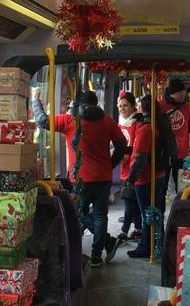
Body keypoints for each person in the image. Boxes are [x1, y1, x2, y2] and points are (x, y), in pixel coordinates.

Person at [32, 89, 127, 267]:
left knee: (78, 214)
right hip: (103, 177)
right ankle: (98, 256)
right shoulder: (107, 121)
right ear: (95, 104)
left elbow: (42, 120)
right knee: (100, 216)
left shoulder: (71, 121)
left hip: (80, 179)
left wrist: (36, 101)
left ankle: (102, 244)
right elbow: (122, 144)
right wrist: (111, 164)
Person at [125, 95, 170, 258]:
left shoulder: (145, 130)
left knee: (147, 215)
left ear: (142, 109)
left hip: (145, 178)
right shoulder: (161, 125)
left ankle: (145, 247)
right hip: (160, 174)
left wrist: (131, 179)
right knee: (156, 212)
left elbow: (141, 158)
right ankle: (159, 243)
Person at [159, 79, 190, 194]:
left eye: (184, 93)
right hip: (164, 152)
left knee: (181, 184)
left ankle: (181, 208)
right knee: (162, 184)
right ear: (172, 94)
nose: (183, 96)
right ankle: (160, 210)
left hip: (181, 152)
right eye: (180, 94)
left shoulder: (188, 107)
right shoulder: (161, 106)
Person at [116, 91, 143, 241]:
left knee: (129, 203)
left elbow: (133, 148)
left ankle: (124, 231)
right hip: (123, 170)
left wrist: (120, 157)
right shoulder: (119, 124)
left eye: (125, 105)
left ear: (133, 107)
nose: (122, 108)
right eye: (120, 106)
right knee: (132, 203)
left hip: (132, 170)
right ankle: (138, 229)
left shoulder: (136, 125)